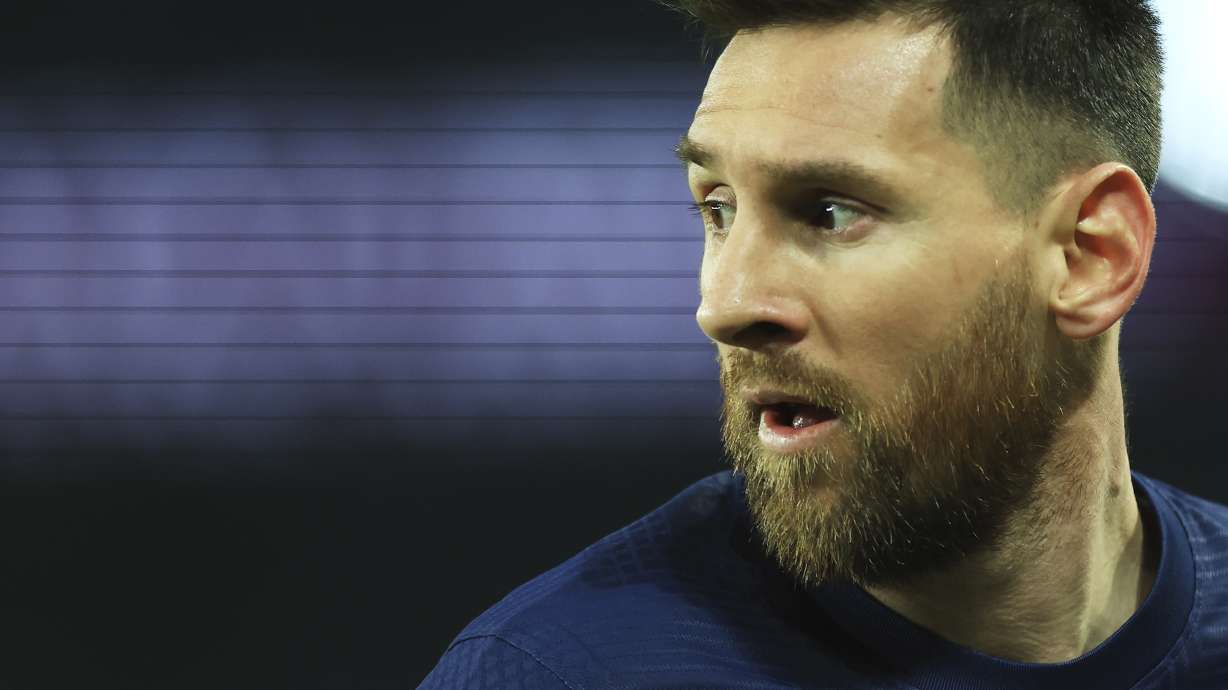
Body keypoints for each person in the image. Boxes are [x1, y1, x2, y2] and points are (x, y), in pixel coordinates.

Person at [420, 1, 1228, 687]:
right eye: (719, 208)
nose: (725, 305)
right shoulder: (562, 670)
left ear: (1092, 257)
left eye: (830, 212)